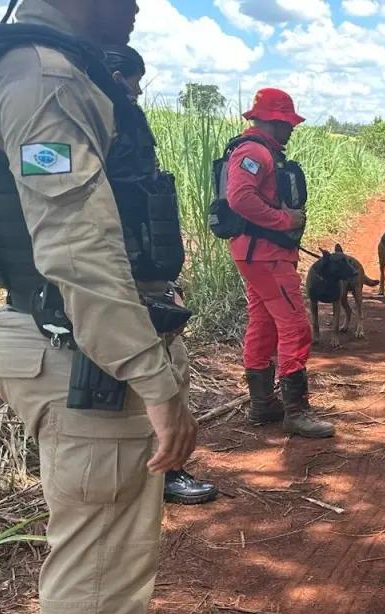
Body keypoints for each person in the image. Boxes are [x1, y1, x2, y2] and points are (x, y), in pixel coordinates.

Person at [0, 0, 211, 614]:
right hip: (86, 357)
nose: (133, 7)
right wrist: (155, 382)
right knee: (99, 556)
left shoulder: (54, 70)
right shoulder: (44, 78)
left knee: (114, 542)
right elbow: (77, 251)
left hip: (82, 348)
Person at [103, 43, 219, 505]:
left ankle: (154, 469)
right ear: (118, 78)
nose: (137, 92)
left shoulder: (110, 123)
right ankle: (166, 472)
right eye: (134, 83)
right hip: (128, 276)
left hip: (140, 272)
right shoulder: (107, 122)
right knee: (165, 369)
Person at [224, 88, 334, 438]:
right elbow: (240, 197)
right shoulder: (255, 152)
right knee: (295, 327)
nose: (292, 129)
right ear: (273, 122)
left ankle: (262, 405)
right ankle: (296, 411)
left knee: (264, 323)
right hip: (266, 255)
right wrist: (283, 220)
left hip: (256, 254)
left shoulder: (256, 151)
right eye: (288, 123)